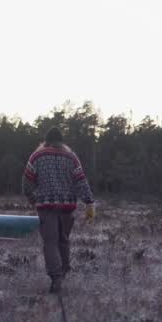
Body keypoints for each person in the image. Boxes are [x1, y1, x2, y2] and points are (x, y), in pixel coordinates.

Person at [22, 126, 95, 294]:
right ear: (62, 141)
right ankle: (63, 271)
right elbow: (81, 181)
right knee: (63, 240)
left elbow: (26, 181)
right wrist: (89, 202)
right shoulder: (71, 157)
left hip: (46, 206)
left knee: (50, 242)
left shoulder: (37, 156)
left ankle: (56, 278)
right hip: (67, 207)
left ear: (45, 140)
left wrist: (32, 198)